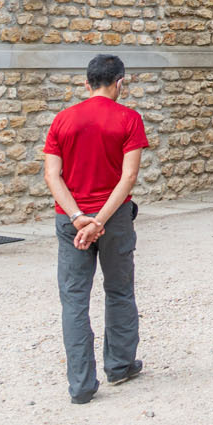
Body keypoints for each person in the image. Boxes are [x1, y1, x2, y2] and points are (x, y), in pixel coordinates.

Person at [43, 54, 149, 405]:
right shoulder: (129, 119)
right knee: (119, 290)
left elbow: (51, 175)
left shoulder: (62, 120)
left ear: (86, 84)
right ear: (120, 82)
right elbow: (128, 177)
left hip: (69, 220)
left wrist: (77, 218)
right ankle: (119, 366)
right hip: (113, 218)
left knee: (74, 300)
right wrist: (100, 221)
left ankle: (81, 386)